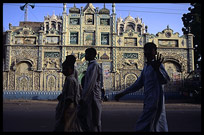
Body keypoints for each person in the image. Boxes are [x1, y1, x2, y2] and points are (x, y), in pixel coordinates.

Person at [114, 42, 170, 132]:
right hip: (148, 100)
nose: (147, 52)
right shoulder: (146, 67)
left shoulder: (158, 65)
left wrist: (157, 70)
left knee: (143, 125)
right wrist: (122, 93)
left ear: (155, 52)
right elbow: (138, 84)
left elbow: (165, 80)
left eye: (150, 50)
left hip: (156, 101)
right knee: (156, 125)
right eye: (145, 50)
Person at [54, 55, 81, 132]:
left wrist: (64, 111)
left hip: (69, 106)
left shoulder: (71, 79)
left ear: (70, 69)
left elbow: (70, 96)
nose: (63, 71)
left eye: (65, 69)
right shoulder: (69, 78)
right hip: (71, 103)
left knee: (66, 126)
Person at [78, 47, 102, 132]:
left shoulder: (94, 65)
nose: (85, 55)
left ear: (92, 55)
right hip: (90, 96)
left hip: (93, 96)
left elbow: (90, 83)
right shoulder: (91, 65)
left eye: (86, 53)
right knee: (88, 118)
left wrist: (83, 97)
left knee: (95, 119)